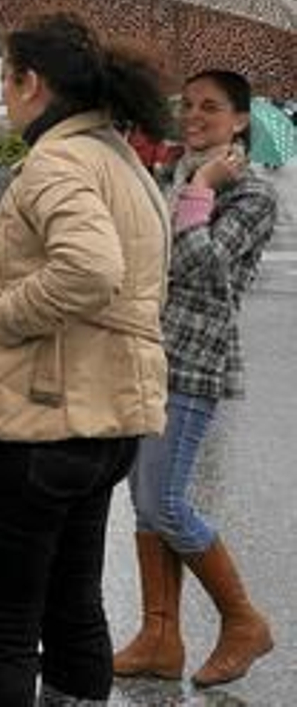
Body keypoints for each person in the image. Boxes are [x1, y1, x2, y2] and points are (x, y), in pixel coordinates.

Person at [0, 13, 173, 706]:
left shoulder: (58, 161)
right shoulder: (121, 158)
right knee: (72, 606)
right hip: (105, 420)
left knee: (4, 624)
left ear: (31, 82)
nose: (3, 88)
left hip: (33, 424)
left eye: (5, 74)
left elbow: (90, 268)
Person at [112, 70, 279, 688]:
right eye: (188, 105)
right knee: (143, 505)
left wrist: (203, 188)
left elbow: (201, 266)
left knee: (166, 500)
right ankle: (159, 638)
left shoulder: (252, 195)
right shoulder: (170, 175)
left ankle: (243, 621)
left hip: (193, 360)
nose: (194, 116)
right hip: (144, 354)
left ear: (240, 121)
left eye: (211, 108)